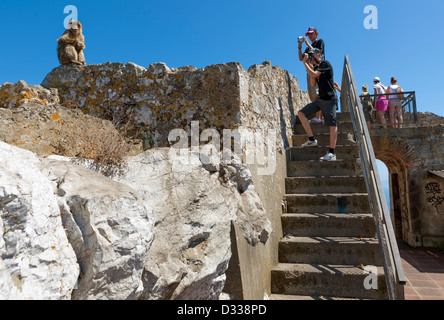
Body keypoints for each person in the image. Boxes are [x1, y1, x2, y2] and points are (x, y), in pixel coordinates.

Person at [297, 48, 338, 161]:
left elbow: (315, 75)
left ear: (319, 55)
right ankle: (311, 139)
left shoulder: (325, 63)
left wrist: (306, 63)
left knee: (332, 124)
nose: (311, 57)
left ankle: (332, 152)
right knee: (301, 114)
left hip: (330, 99)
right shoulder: (315, 68)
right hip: (320, 99)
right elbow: (312, 82)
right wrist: (309, 67)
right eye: (309, 56)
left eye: (312, 55)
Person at [298, 27, 325, 123]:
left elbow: (317, 52)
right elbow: (301, 58)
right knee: (313, 95)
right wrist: (300, 46)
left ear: (316, 33)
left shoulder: (320, 42)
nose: (309, 36)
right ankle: (321, 117)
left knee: (318, 93)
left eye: (311, 33)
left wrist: (307, 44)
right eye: (308, 34)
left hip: (318, 70)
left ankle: (318, 118)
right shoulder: (306, 47)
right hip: (310, 71)